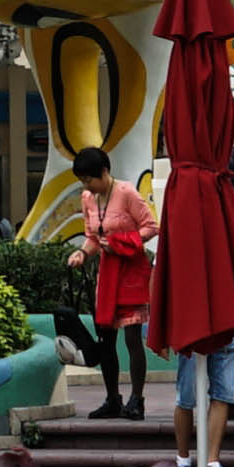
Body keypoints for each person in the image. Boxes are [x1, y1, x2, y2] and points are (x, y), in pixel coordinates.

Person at [88, 162, 161, 423]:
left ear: (104, 172)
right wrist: (82, 252)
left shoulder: (127, 192)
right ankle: (112, 398)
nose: (87, 186)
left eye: (90, 179)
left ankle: (136, 399)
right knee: (106, 337)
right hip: (107, 274)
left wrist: (120, 243)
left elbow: (151, 227)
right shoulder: (88, 198)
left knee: (132, 337)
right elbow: (93, 237)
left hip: (130, 271)